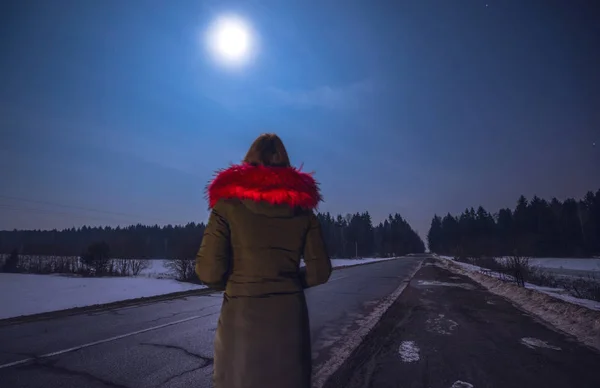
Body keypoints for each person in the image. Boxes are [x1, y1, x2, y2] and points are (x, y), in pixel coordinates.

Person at [196, 133, 332, 388]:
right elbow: (320, 271)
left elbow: (209, 271)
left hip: (240, 319)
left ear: (248, 161)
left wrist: (238, 284)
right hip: (289, 321)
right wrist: (289, 281)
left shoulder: (227, 206)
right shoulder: (303, 211)